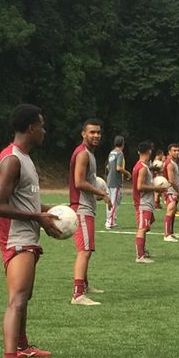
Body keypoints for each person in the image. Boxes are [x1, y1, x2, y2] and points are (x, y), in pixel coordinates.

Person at [0, 104, 61, 358]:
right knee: (17, 299)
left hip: (28, 235)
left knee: (25, 296)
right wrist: (38, 217)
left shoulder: (25, 158)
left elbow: (26, 202)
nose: (44, 130)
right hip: (16, 239)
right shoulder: (12, 160)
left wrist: (50, 213)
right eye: (42, 125)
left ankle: (22, 346)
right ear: (31, 127)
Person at [69, 119, 112, 306]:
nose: (96, 135)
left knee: (87, 249)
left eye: (98, 132)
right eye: (92, 132)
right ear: (83, 134)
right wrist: (101, 192)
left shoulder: (89, 154)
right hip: (81, 207)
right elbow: (79, 182)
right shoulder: (83, 154)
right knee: (85, 251)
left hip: (86, 207)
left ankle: (84, 285)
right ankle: (78, 294)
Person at [132, 141, 168, 263]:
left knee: (145, 228)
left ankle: (143, 251)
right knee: (142, 228)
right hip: (143, 202)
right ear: (149, 151)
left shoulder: (141, 165)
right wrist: (157, 188)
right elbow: (140, 186)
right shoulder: (142, 168)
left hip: (146, 202)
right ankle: (139, 256)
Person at [105, 135, 128, 229]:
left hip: (109, 180)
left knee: (110, 201)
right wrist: (128, 173)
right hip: (116, 181)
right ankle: (110, 222)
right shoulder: (119, 153)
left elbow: (108, 167)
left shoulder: (111, 153)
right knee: (114, 202)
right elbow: (118, 168)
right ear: (123, 143)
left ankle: (110, 220)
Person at [163, 143, 179, 242]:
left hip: (174, 190)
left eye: (178, 150)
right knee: (170, 211)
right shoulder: (170, 163)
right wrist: (178, 190)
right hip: (170, 191)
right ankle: (167, 235)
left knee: (173, 212)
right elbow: (171, 180)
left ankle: (171, 232)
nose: (177, 152)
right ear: (169, 152)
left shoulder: (174, 162)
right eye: (174, 150)